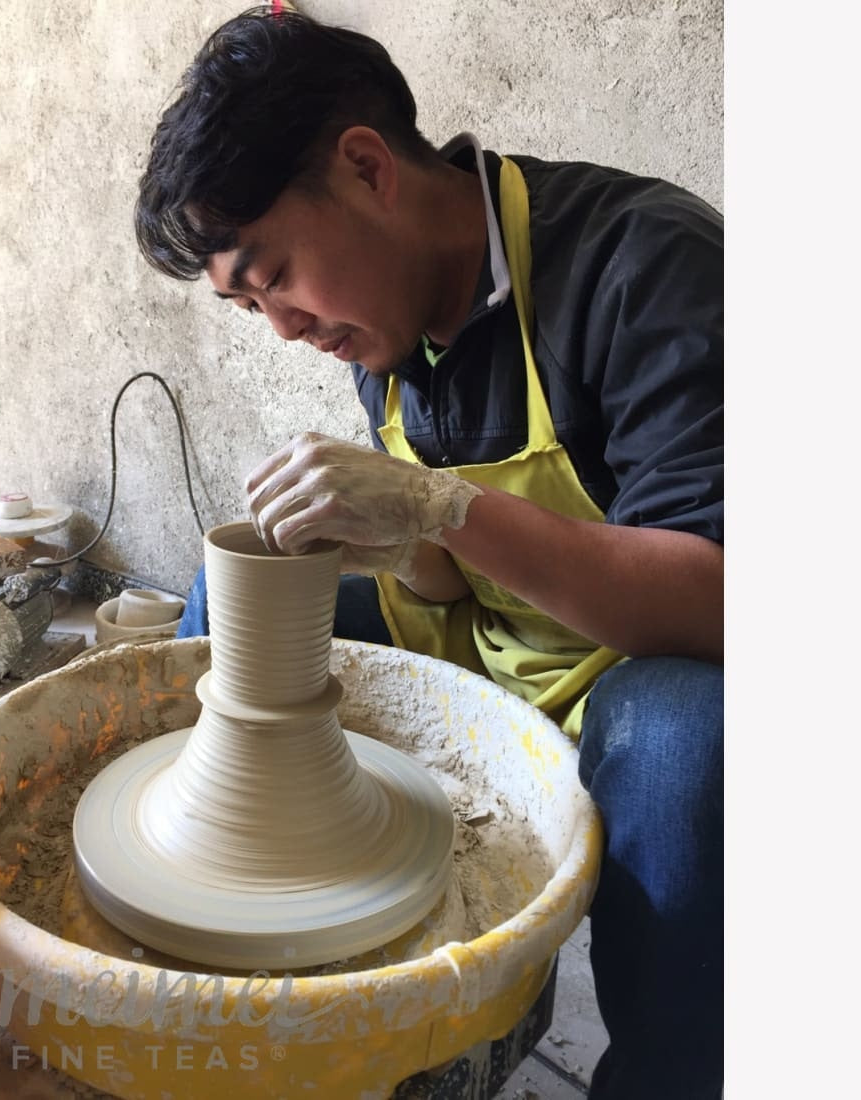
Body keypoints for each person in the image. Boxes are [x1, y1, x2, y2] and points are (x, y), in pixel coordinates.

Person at [135, 8, 722, 1099]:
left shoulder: (645, 262)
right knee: (225, 610)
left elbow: (722, 598)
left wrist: (437, 504)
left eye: (276, 275)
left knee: (692, 744)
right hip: (492, 636)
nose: (284, 328)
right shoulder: (379, 316)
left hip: (639, 668)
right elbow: (443, 583)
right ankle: (250, 959)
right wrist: (391, 539)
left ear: (365, 168)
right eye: (246, 305)